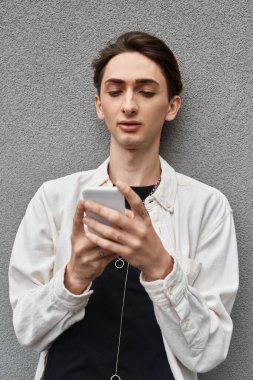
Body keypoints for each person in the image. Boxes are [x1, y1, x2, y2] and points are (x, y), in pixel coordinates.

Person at [9, 31, 239, 380]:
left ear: (172, 106)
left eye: (146, 92)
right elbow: (26, 330)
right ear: (99, 105)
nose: (129, 105)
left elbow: (207, 352)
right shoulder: (54, 199)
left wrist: (160, 266)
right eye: (115, 92)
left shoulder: (208, 207)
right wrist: (74, 278)